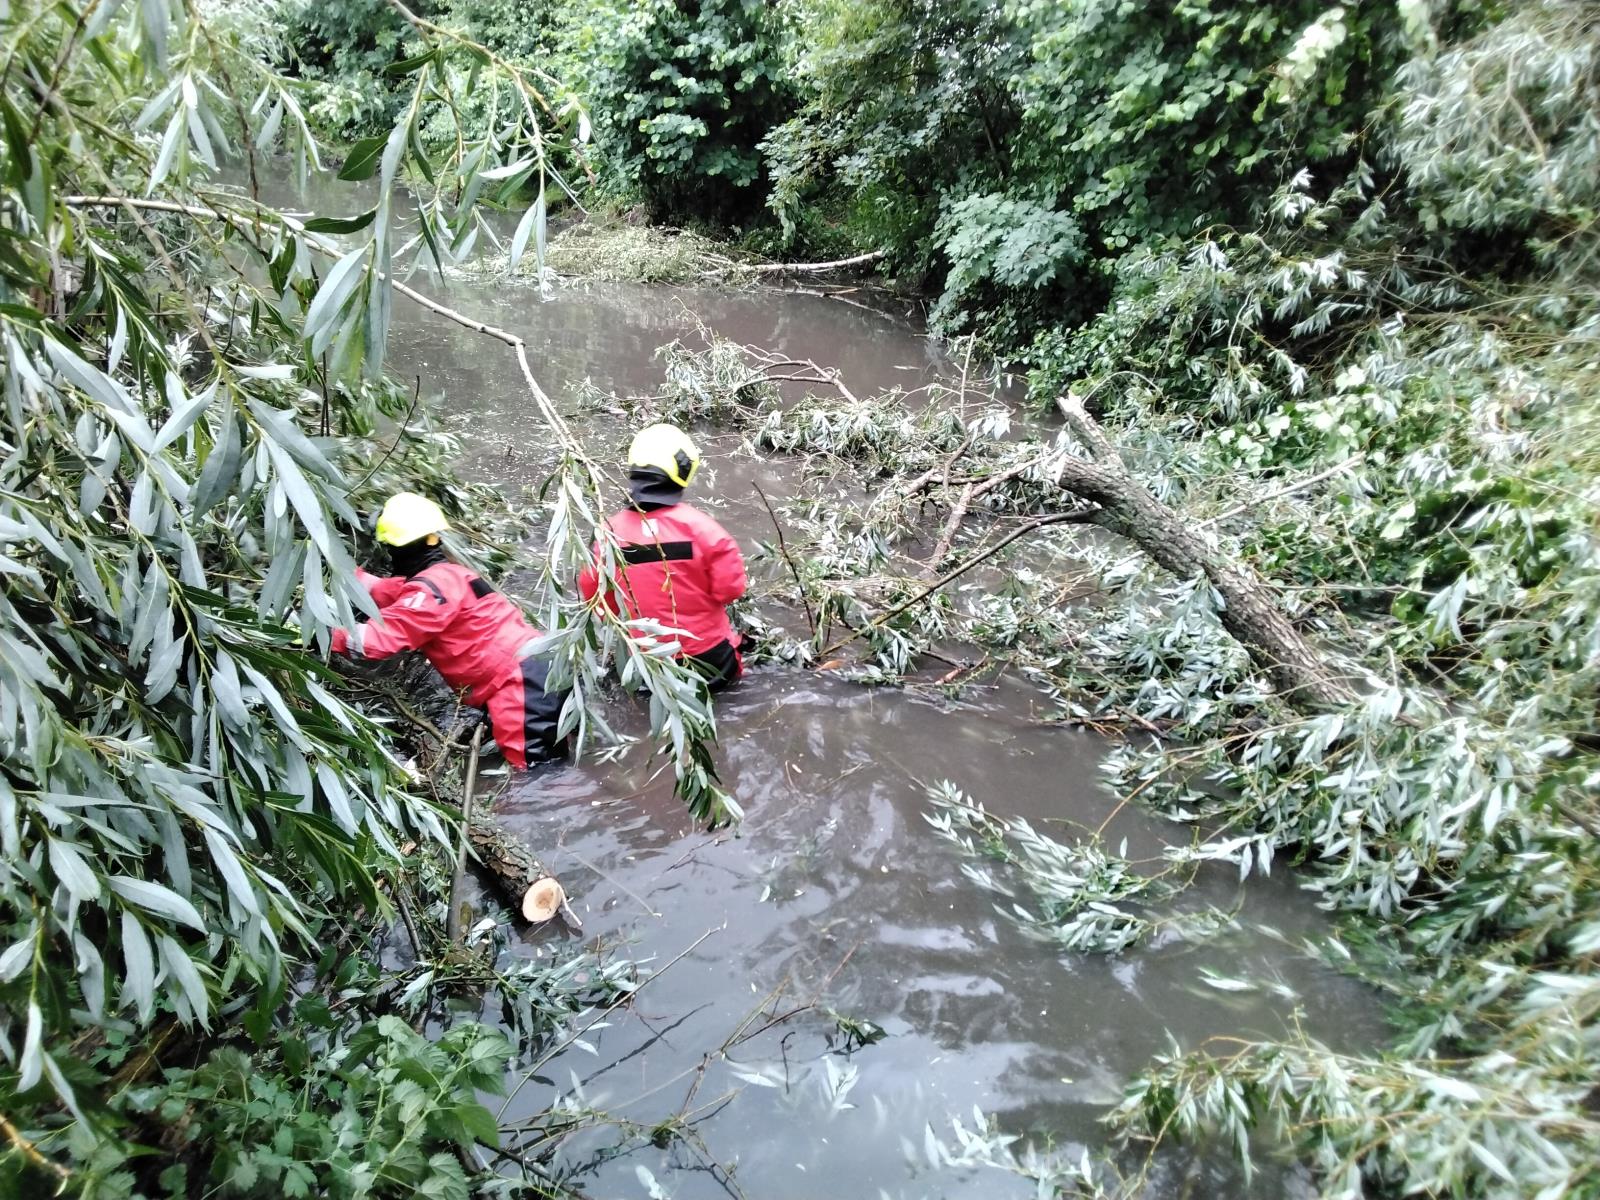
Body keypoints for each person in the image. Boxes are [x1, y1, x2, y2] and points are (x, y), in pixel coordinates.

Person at [330, 492, 569, 769]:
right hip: (542, 668)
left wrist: (324, 633)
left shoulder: (430, 591)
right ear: (434, 537)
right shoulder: (451, 575)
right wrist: (347, 574)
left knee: (535, 776)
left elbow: (379, 640)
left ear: (395, 548)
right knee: (559, 759)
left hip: (518, 685)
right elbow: (398, 594)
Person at [578, 423, 747, 690]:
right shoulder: (705, 530)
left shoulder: (606, 534)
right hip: (709, 655)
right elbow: (730, 589)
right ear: (684, 470)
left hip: (643, 659)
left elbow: (595, 597)